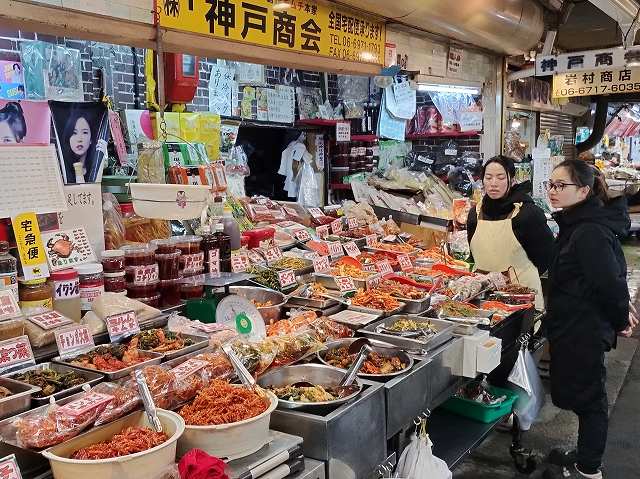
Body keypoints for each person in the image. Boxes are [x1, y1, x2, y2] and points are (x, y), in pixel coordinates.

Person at [543, 159, 637, 479]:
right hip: (573, 325)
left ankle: (588, 468)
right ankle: (585, 456)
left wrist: (620, 320)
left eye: (561, 185)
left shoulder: (589, 232)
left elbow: (609, 283)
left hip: (583, 328)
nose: (553, 191)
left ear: (583, 191)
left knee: (591, 400)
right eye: (550, 184)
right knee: (582, 395)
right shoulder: (576, 222)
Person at [467, 155, 554, 309]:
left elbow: (546, 255)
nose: (494, 183)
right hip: (482, 295)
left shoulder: (528, 213)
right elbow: (474, 252)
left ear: (512, 180)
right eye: (488, 177)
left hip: (521, 296)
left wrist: (517, 278)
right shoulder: (475, 213)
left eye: (500, 177)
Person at [60, 109, 95, 183]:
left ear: (91, 139)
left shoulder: (95, 169)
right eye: (74, 133)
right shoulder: (62, 170)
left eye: (85, 132)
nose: (79, 139)